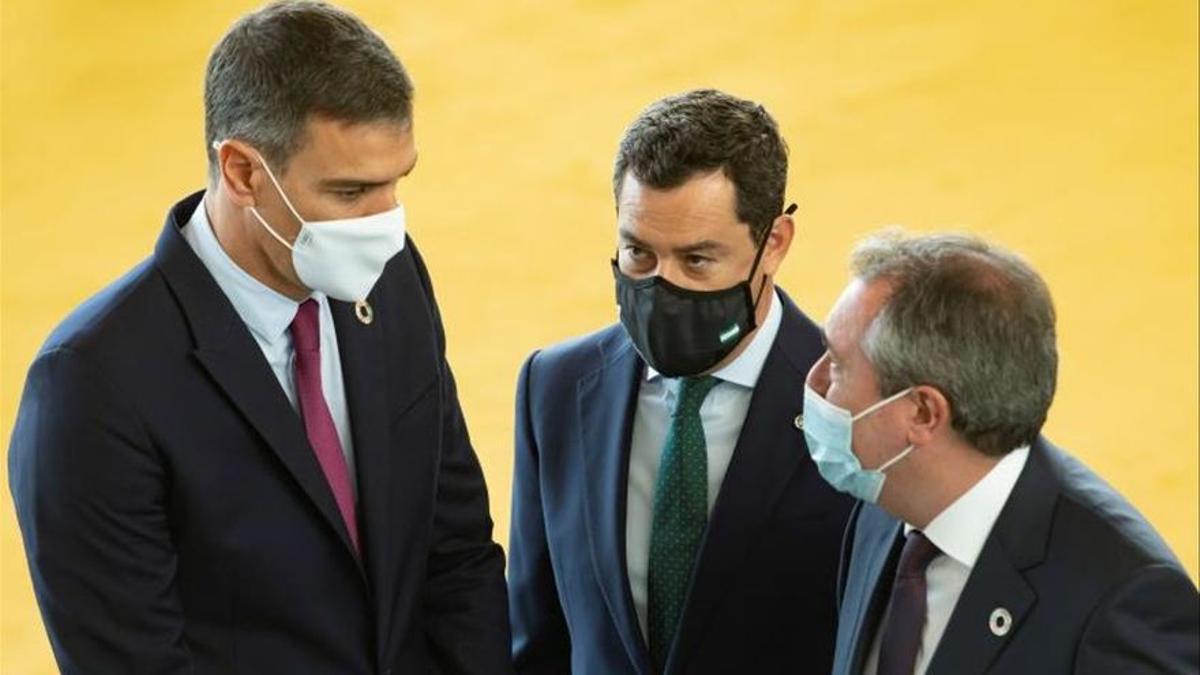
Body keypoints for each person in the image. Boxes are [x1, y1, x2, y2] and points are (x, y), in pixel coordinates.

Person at [8, 2, 510, 672]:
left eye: (398, 182)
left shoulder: (392, 283)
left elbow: (456, 553)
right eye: (351, 190)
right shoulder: (92, 384)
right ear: (243, 171)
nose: (385, 224)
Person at [507, 89, 855, 674]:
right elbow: (536, 639)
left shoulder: (856, 405)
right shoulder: (556, 388)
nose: (660, 289)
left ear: (773, 244)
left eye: (696, 260)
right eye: (638, 254)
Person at [804, 230, 1199, 674]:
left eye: (836, 366)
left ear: (921, 412)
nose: (815, 382)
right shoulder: (884, 505)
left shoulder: (1125, 602)